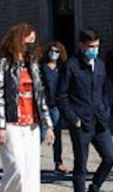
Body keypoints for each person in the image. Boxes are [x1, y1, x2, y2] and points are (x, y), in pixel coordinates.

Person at [0, 23, 55, 192]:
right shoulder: (4, 64)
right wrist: (0, 126)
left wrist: (48, 125)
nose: (31, 46)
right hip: (12, 123)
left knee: (31, 171)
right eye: (28, 42)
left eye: (34, 42)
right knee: (16, 168)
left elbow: (40, 96)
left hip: (32, 124)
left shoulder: (33, 64)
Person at [57, 28, 113, 192]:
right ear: (81, 45)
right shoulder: (71, 66)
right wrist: (73, 118)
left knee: (110, 157)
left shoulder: (100, 65)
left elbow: (104, 91)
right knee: (81, 165)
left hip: (100, 120)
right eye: (90, 46)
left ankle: (95, 186)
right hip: (80, 122)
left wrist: (106, 109)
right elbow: (61, 96)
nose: (94, 50)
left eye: (96, 46)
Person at [42, 40, 69, 174]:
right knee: (40, 134)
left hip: (56, 105)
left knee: (57, 134)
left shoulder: (62, 68)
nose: (54, 54)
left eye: (57, 51)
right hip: (44, 105)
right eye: (52, 51)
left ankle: (58, 162)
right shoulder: (43, 68)